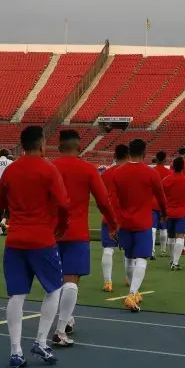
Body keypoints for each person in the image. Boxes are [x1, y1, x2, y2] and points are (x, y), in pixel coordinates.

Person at [0, 125, 69, 368]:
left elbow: (0, 201)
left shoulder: (11, 169)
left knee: (16, 295)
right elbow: (63, 204)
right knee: (54, 288)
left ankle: (15, 350)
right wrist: (60, 227)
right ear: (42, 144)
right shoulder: (49, 169)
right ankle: (41, 341)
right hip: (41, 238)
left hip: (15, 238)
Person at [52, 129, 116, 346]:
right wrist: (113, 224)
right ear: (79, 147)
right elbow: (104, 201)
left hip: (50, 231)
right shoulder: (88, 169)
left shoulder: (50, 167)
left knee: (57, 280)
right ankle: (61, 330)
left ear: (59, 147)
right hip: (77, 231)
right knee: (72, 279)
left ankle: (67, 318)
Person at [107, 139, 167, 312]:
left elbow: (112, 200)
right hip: (143, 222)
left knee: (128, 256)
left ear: (129, 152)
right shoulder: (150, 173)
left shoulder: (117, 173)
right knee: (141, 258)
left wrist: (114, 222)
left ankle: (135, 291)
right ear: (145, 153)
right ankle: (132, 294)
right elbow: (161, 197)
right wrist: (164, 213)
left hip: (124, 222)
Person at [100, 144, 128, 292]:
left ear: (114, 156)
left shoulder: (106, 174)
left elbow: (102, 195)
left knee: (108, 249)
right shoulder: (131, 173)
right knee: (127, 250)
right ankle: (129, 278)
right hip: (126, 216)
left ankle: (107, 282)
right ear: (128, 156)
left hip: (109, 216)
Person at [161, 157, 185, 271]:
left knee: (170, 238)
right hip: (182, 213)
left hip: (168, 212)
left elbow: (162, 197)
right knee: (180, 237)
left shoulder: (165, 180)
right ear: (183, 167)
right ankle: (175, 262)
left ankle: (172, 260)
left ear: (173, 166)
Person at [151, 151, 170, 258]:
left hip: (152, 203)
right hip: (164, 203)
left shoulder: (151, 171)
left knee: (152, 228)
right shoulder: (169, 173)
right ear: (165, 160)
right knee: (164, 228)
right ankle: (163, 250)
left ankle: (152, 251)